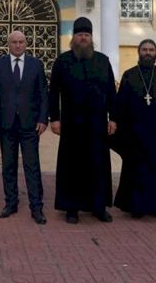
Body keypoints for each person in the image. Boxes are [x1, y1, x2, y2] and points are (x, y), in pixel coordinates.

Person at [48, 17, 117, 224]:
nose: (83, 38)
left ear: (91, 38)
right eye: (80, 35)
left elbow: (111, 92)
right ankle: (72, 208)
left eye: (87, 35)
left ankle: (98, 207)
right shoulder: (62, 61)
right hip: (72, 124)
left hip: (97, 124)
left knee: (98, 165)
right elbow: (53, 92)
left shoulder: (103, 61)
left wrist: (113, 118)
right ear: (74, 37)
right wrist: (55, 119)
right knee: (72, 166)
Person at [113, 39, 156, 220]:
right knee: (137, 172)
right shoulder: (129, 75)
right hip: (135, 135)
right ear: (139, 52)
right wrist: (119, 128)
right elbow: (121, 106)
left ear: (155, 53)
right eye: (144, 50)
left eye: (151, 50)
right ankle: (137, 207)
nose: (148, 53)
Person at [0, 31, 48, 225]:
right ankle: (11, 203)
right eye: (14, 42)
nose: (17, 45)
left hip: (29, 125)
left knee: (32, 166)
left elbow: (43, 93)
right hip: (6, 124)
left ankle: (36, 207)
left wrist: (43, 119)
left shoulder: (36, 65)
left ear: (26, 44)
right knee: (8, 165)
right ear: (8, 44)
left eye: (21, 42)